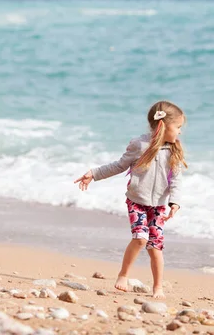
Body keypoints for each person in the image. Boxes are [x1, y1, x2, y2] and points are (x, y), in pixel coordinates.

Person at [74, 100, 187, 299]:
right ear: (163, 125)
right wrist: (94, 173)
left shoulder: (174, 149)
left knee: (155, 247)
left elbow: (176, 180)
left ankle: (158, 287)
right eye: (177, 127)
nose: (179, 132)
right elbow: (119, 165)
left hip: (159, 207)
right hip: (137, 202)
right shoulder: (140, 145)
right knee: (140, 239)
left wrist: (174, 203)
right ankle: (123, 275)